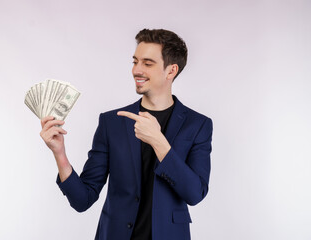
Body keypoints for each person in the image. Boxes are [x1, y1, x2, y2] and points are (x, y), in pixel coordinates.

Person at [40, 29, 213, 240]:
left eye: (147, 63)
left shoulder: (198, 125)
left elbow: (195, 194)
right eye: (135, 61)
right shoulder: (112, 122)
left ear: (171, 71)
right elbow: (82, 200)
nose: (137, 70)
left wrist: (159, 142)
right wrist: (60, 154)